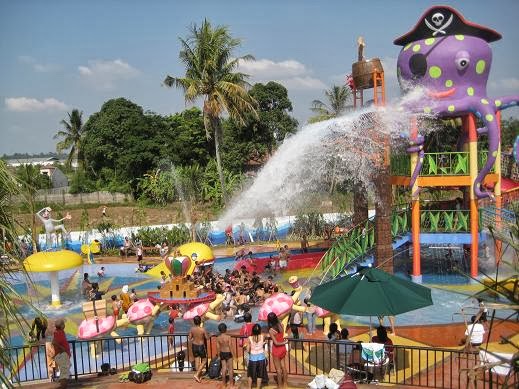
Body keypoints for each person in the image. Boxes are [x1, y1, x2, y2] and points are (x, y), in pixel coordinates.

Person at [267, 312, 288, 389]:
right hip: (283, 349)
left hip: (276, 350)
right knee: (284, 367)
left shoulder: (271, 330)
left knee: (278, 370)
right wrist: (284, 342)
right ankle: (285, 384)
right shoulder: (281, 325)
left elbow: (276, 343)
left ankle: (280, 386)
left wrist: (283, 342)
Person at [245, 323, 269, 388]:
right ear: (260, 330)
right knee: (259, 375)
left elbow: (247, 350)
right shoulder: (262, 336)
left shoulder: (249, 338)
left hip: (252, 358)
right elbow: (265, 340)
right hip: (261, 358)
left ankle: (249, 387)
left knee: (250, 374)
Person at [188, 315, 209, 383]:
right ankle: (197, 374)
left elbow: (190, 338)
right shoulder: (202, 329)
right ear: (200, 322)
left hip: (194, 346)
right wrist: (209, 334)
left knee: (197, 361)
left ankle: (198, 375)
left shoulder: (192, 329)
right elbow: (207, 338)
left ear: (194, 322)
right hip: (201, 346)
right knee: (204, 361)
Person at [51, 318, 70, 388]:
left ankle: (64, 386)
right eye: (63, 324)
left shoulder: (60, 332)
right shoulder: (58, 333)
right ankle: (63, 386)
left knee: (65, 372)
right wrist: (61, 348)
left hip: (63, 355)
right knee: (64, 373)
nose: (64, 325)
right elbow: (54, 342)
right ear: (61, 325)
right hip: (62, 355)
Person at [216, 323, 234, 387]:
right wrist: (233, 355)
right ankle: (231, 384)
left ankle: (224, 384)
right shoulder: (228, 337)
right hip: (228, 353)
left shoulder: (218, 338)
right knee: (230, 369)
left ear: (219, 330)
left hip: (222, 353)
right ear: (226, 329)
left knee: (224, 368)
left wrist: (218, 355)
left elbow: (218, 347)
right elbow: (230, 346)